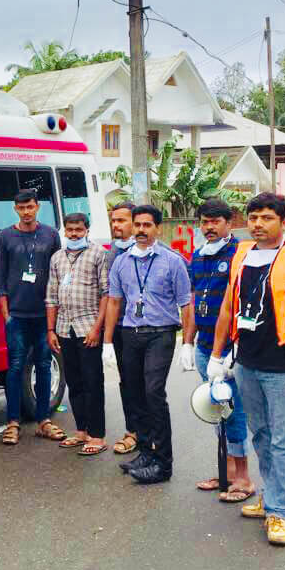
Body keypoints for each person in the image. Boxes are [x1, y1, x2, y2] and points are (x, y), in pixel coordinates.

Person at [210, 193, 285, 546]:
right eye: (252, 217)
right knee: (261, 435)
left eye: (266, 218)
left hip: (284, 365)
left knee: (283, 440)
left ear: (283, 221)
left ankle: (280, 512)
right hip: (247, 362)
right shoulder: (242, 255)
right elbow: (226, 308)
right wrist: (219, 357)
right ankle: (274, 496)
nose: (258, 224)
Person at [104, 204, 194, 485]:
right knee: (134, 394)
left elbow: (186, 305)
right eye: (138, 225)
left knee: (153, 393)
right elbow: (115, 302)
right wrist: (108, 341)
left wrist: (188, 343)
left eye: (147, 225)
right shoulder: (121, 261)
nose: (141, 230)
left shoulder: (172, 261)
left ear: (157, 228)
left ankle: (163, 464)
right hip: (130, 333)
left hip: (161, 334)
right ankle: (145, 452)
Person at [180, 198, 254, 502]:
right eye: (204, 221)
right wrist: (187, 341)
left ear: (229, 222)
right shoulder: (198, 256)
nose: (209, 227)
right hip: (204, 347)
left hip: (230, 349)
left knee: (233, 409)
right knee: (215, 408)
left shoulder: (241, 254)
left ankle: (244, 478)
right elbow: (196, 299)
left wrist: (234, 350)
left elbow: (246, 301)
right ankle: (224, 472)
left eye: (215, 221)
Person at [0, 189, 64, 445]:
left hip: (44, 314)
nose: (26, 212)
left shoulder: (50, 234)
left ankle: (43, 420)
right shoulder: (5, 236)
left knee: (44, 364)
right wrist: (6, 314)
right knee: (14, 367)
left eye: (30, 207)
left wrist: (56, 312)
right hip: (17, 316)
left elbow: (57, 273)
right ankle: (13, 422)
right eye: (21, 208)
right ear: (15, 209)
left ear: (38, 207)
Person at [46, 212, 109, 456]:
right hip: (63, 328)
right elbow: (51, 296)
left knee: (93, 382)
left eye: (78, 230)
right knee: (74, 382)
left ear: (87, 231)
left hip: (88, 329)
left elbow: (106, 293)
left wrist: (97, 328)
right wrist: (51, 330)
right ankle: (81, 431)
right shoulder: (57, 258)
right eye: (69, 230)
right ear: (64, 230)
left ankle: (97, 435)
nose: (73, 234)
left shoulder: (98, 254)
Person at [103, 202, 138, 455]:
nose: (116, 225)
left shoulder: (148, 251)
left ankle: (150, 433)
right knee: (127, 381)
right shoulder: (112, 251)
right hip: (118, 328)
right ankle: (132, 431)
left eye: (122, 220)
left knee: (148, 384)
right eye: (114, 220)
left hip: (145, 329)